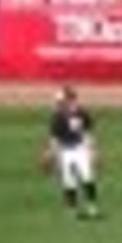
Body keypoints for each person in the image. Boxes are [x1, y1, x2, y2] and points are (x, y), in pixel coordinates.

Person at [45, 86, 103, 220]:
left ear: (69, 99)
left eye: (61, 101)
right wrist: (51, 154)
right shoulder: (57, 117)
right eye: (59, 102)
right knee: (69, 182)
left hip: (81, 149)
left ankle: (92, 207)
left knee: (88, 177)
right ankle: (72, 209)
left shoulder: (83, 114)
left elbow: (88, 134)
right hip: (65, 151)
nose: (59, 104)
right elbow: (55, 138)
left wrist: (93, 151)